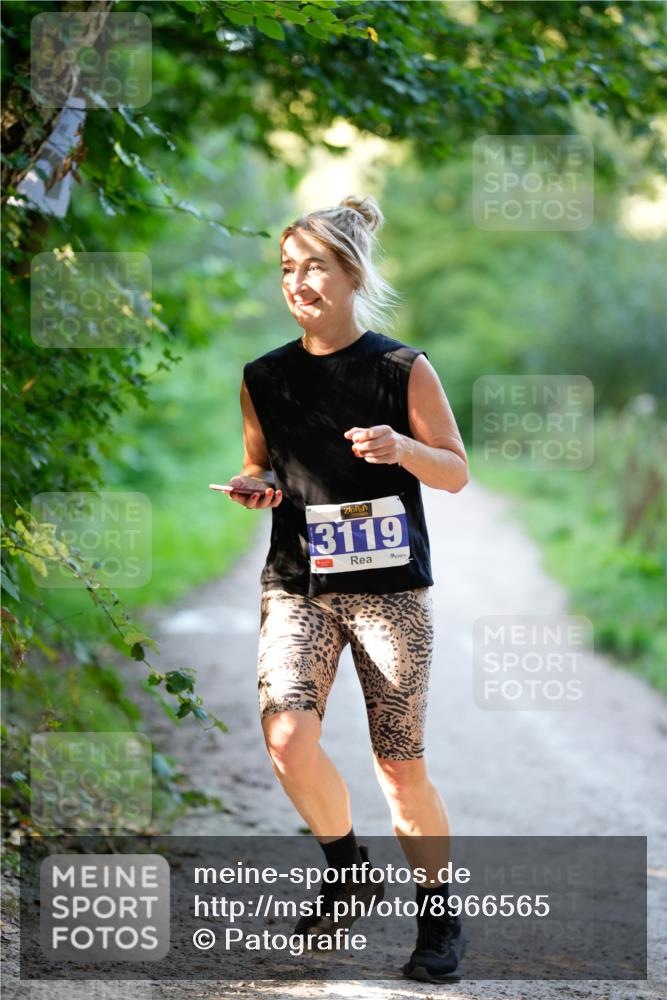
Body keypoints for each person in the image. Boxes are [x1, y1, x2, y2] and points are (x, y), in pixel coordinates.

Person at [225, 194, 469, 983]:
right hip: (297, 584)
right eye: (288, 268)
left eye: (315, 266)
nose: (298, 281)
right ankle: (346, 864)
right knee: (286, 735)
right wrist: (252, 485)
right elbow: (260, 462)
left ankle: (437, 916)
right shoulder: (262, 376)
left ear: (350, 274)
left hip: (389, 592)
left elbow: (456, 472)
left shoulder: (401, 369)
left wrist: (401, 446)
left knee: (399, 767)